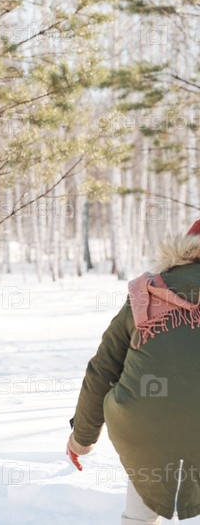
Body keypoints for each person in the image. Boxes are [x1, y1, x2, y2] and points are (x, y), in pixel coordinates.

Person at [67, 220, 200, 524]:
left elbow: (102, 369)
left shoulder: (148, 292)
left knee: (148, 442)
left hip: (142, 418)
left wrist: (81, 439)